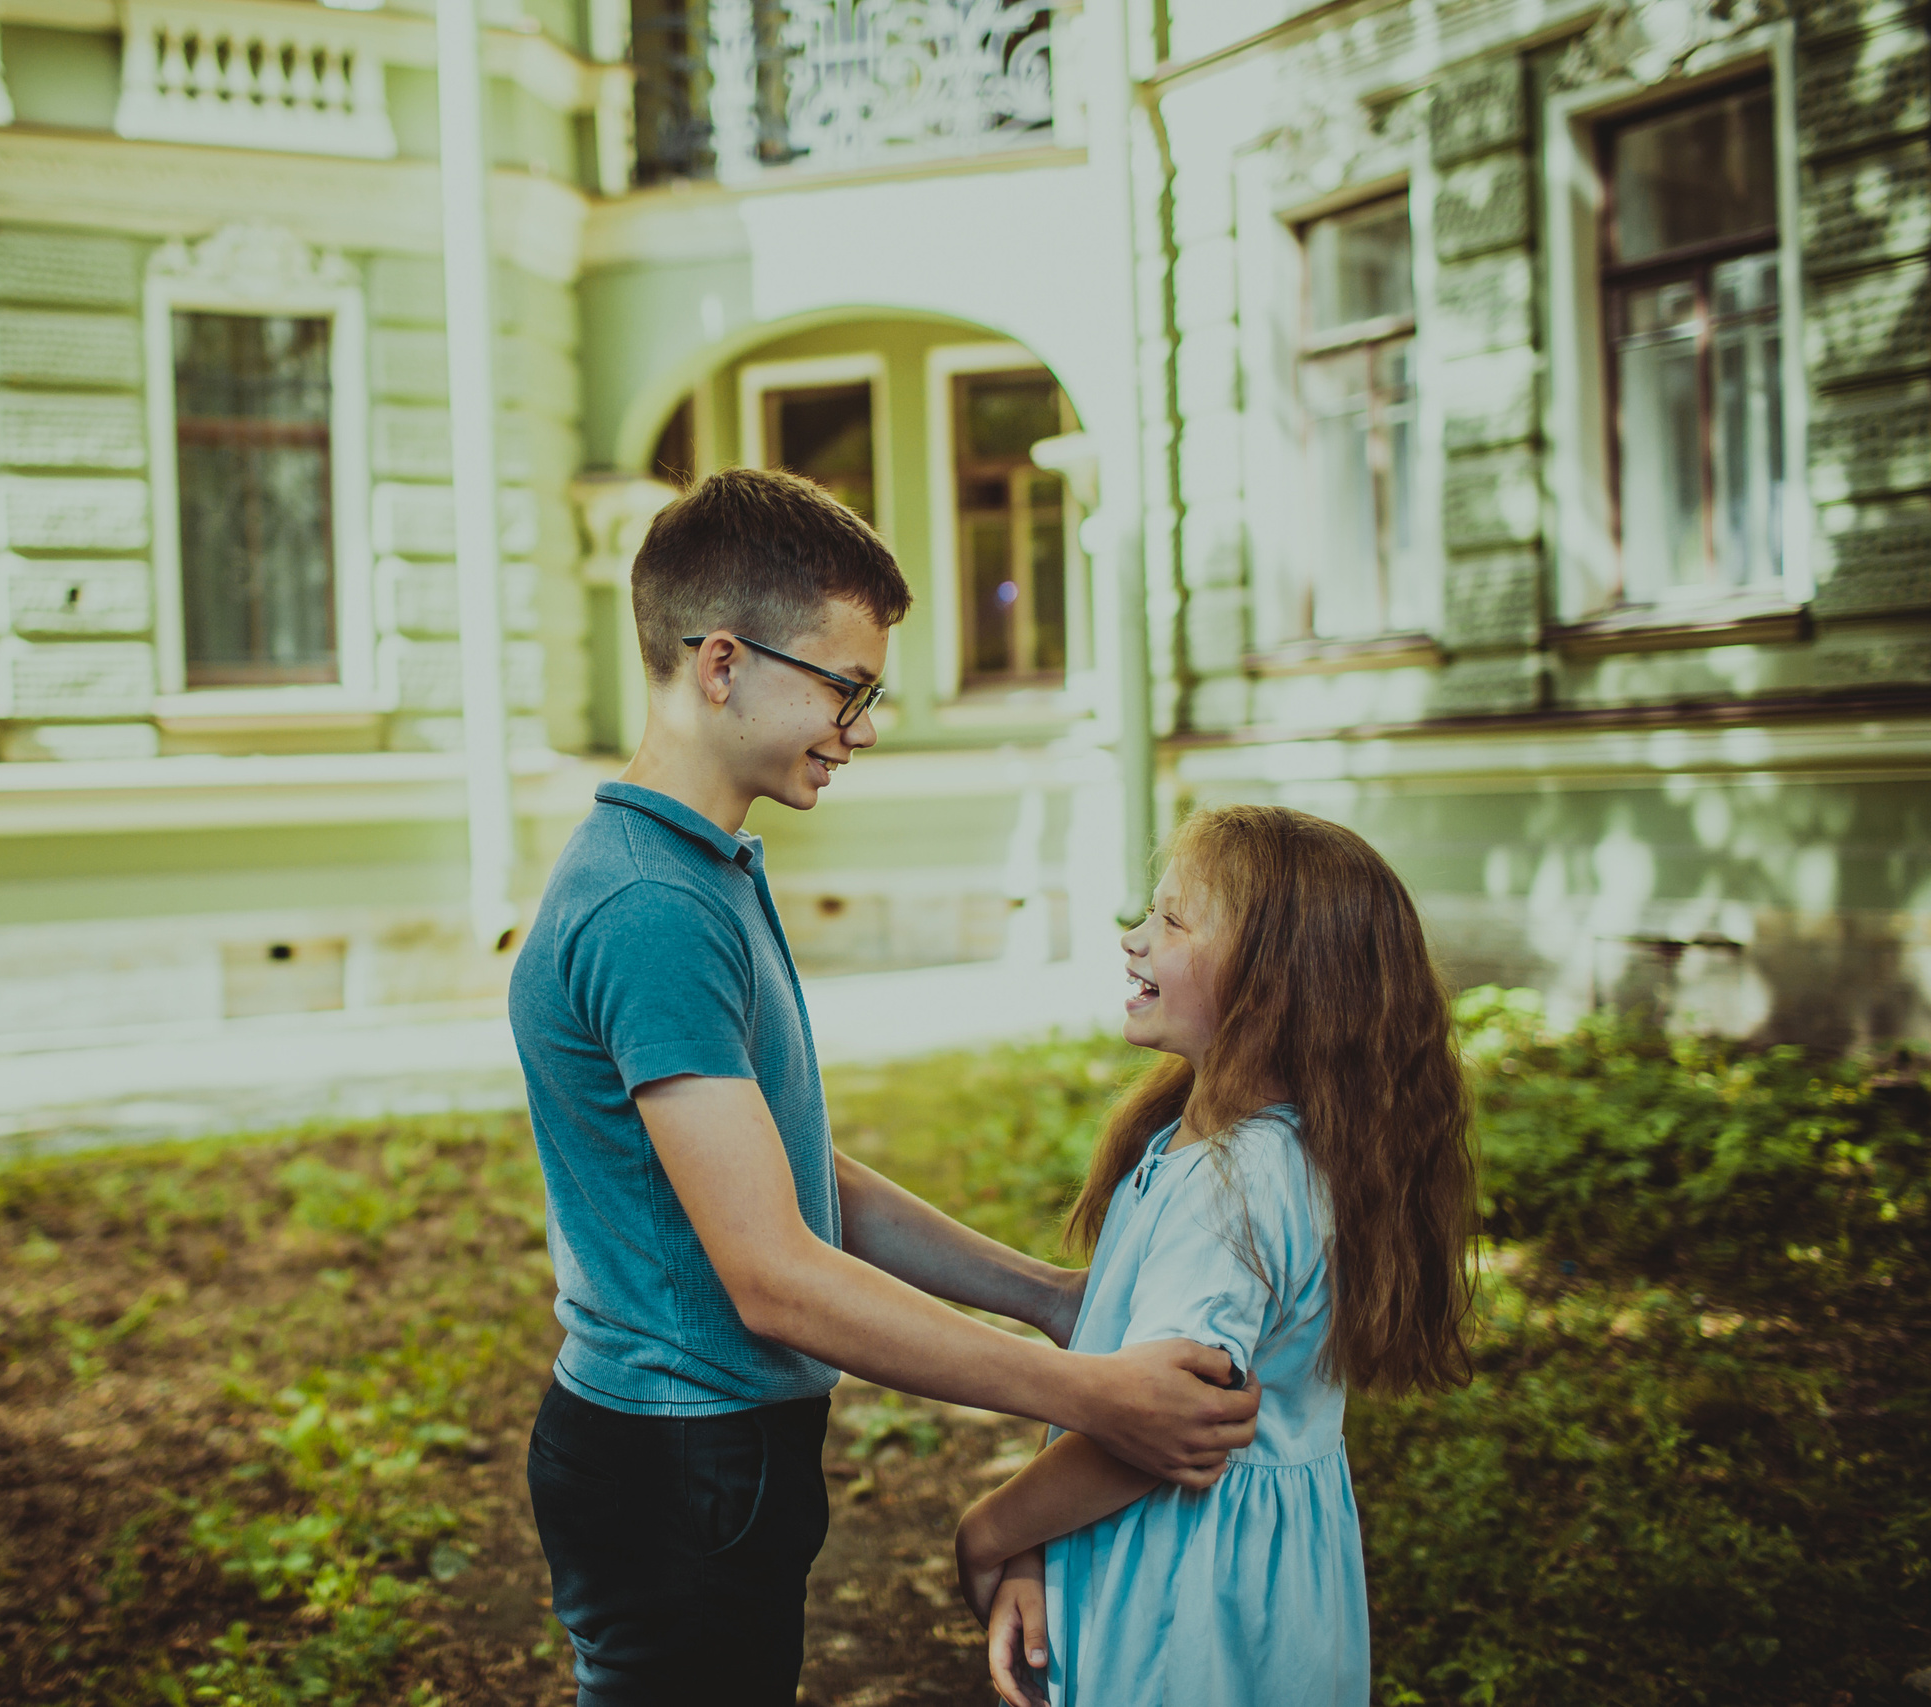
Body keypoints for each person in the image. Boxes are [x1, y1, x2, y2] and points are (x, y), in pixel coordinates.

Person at [508, 466, 1262, 1707]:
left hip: (703, 1454)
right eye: (845, 689)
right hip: (679, 1459)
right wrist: (1094, 1398)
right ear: (718, 665)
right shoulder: (651, 907)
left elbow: (801, 1184)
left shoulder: (698, 869)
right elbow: (775, 1277)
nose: (861, 728)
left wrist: (1049, 1298)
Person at [952, 803, 1479, 1707]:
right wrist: (1039, 1545)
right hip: (1255, 1590)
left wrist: (992, 1528)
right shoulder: (1254, 1145)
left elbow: (1156, 1428)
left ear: (1272, 985)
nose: (1132, 938)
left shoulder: (1233, 1183)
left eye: (1172, 919)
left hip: (1181, 1603)